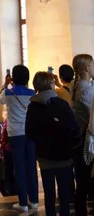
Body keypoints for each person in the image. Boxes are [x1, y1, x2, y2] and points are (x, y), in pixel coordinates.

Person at [26, 71, 80, 216]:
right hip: (64, 155)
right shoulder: (61, 104)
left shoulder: (33, 107)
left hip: (45, 157)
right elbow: (74, 128)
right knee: (64, 194)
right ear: (51, 84)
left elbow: (29, 133)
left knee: (49, 195)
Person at [0, 65, 38, 212]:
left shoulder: (9, 92)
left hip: (15, 133)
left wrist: (5, 83)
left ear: (13, 77)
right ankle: (34, 200)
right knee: (31, 166)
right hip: (30, 132)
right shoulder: (32, 93)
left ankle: (23, 202)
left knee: (19, 166)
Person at [71, 54, 94, 216]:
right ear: (87, 68)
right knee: (86, 179)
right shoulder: (87, 90)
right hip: (87, 140)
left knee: (81, 181)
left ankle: (81, 210)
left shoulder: (77, 86)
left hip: (78, 139)